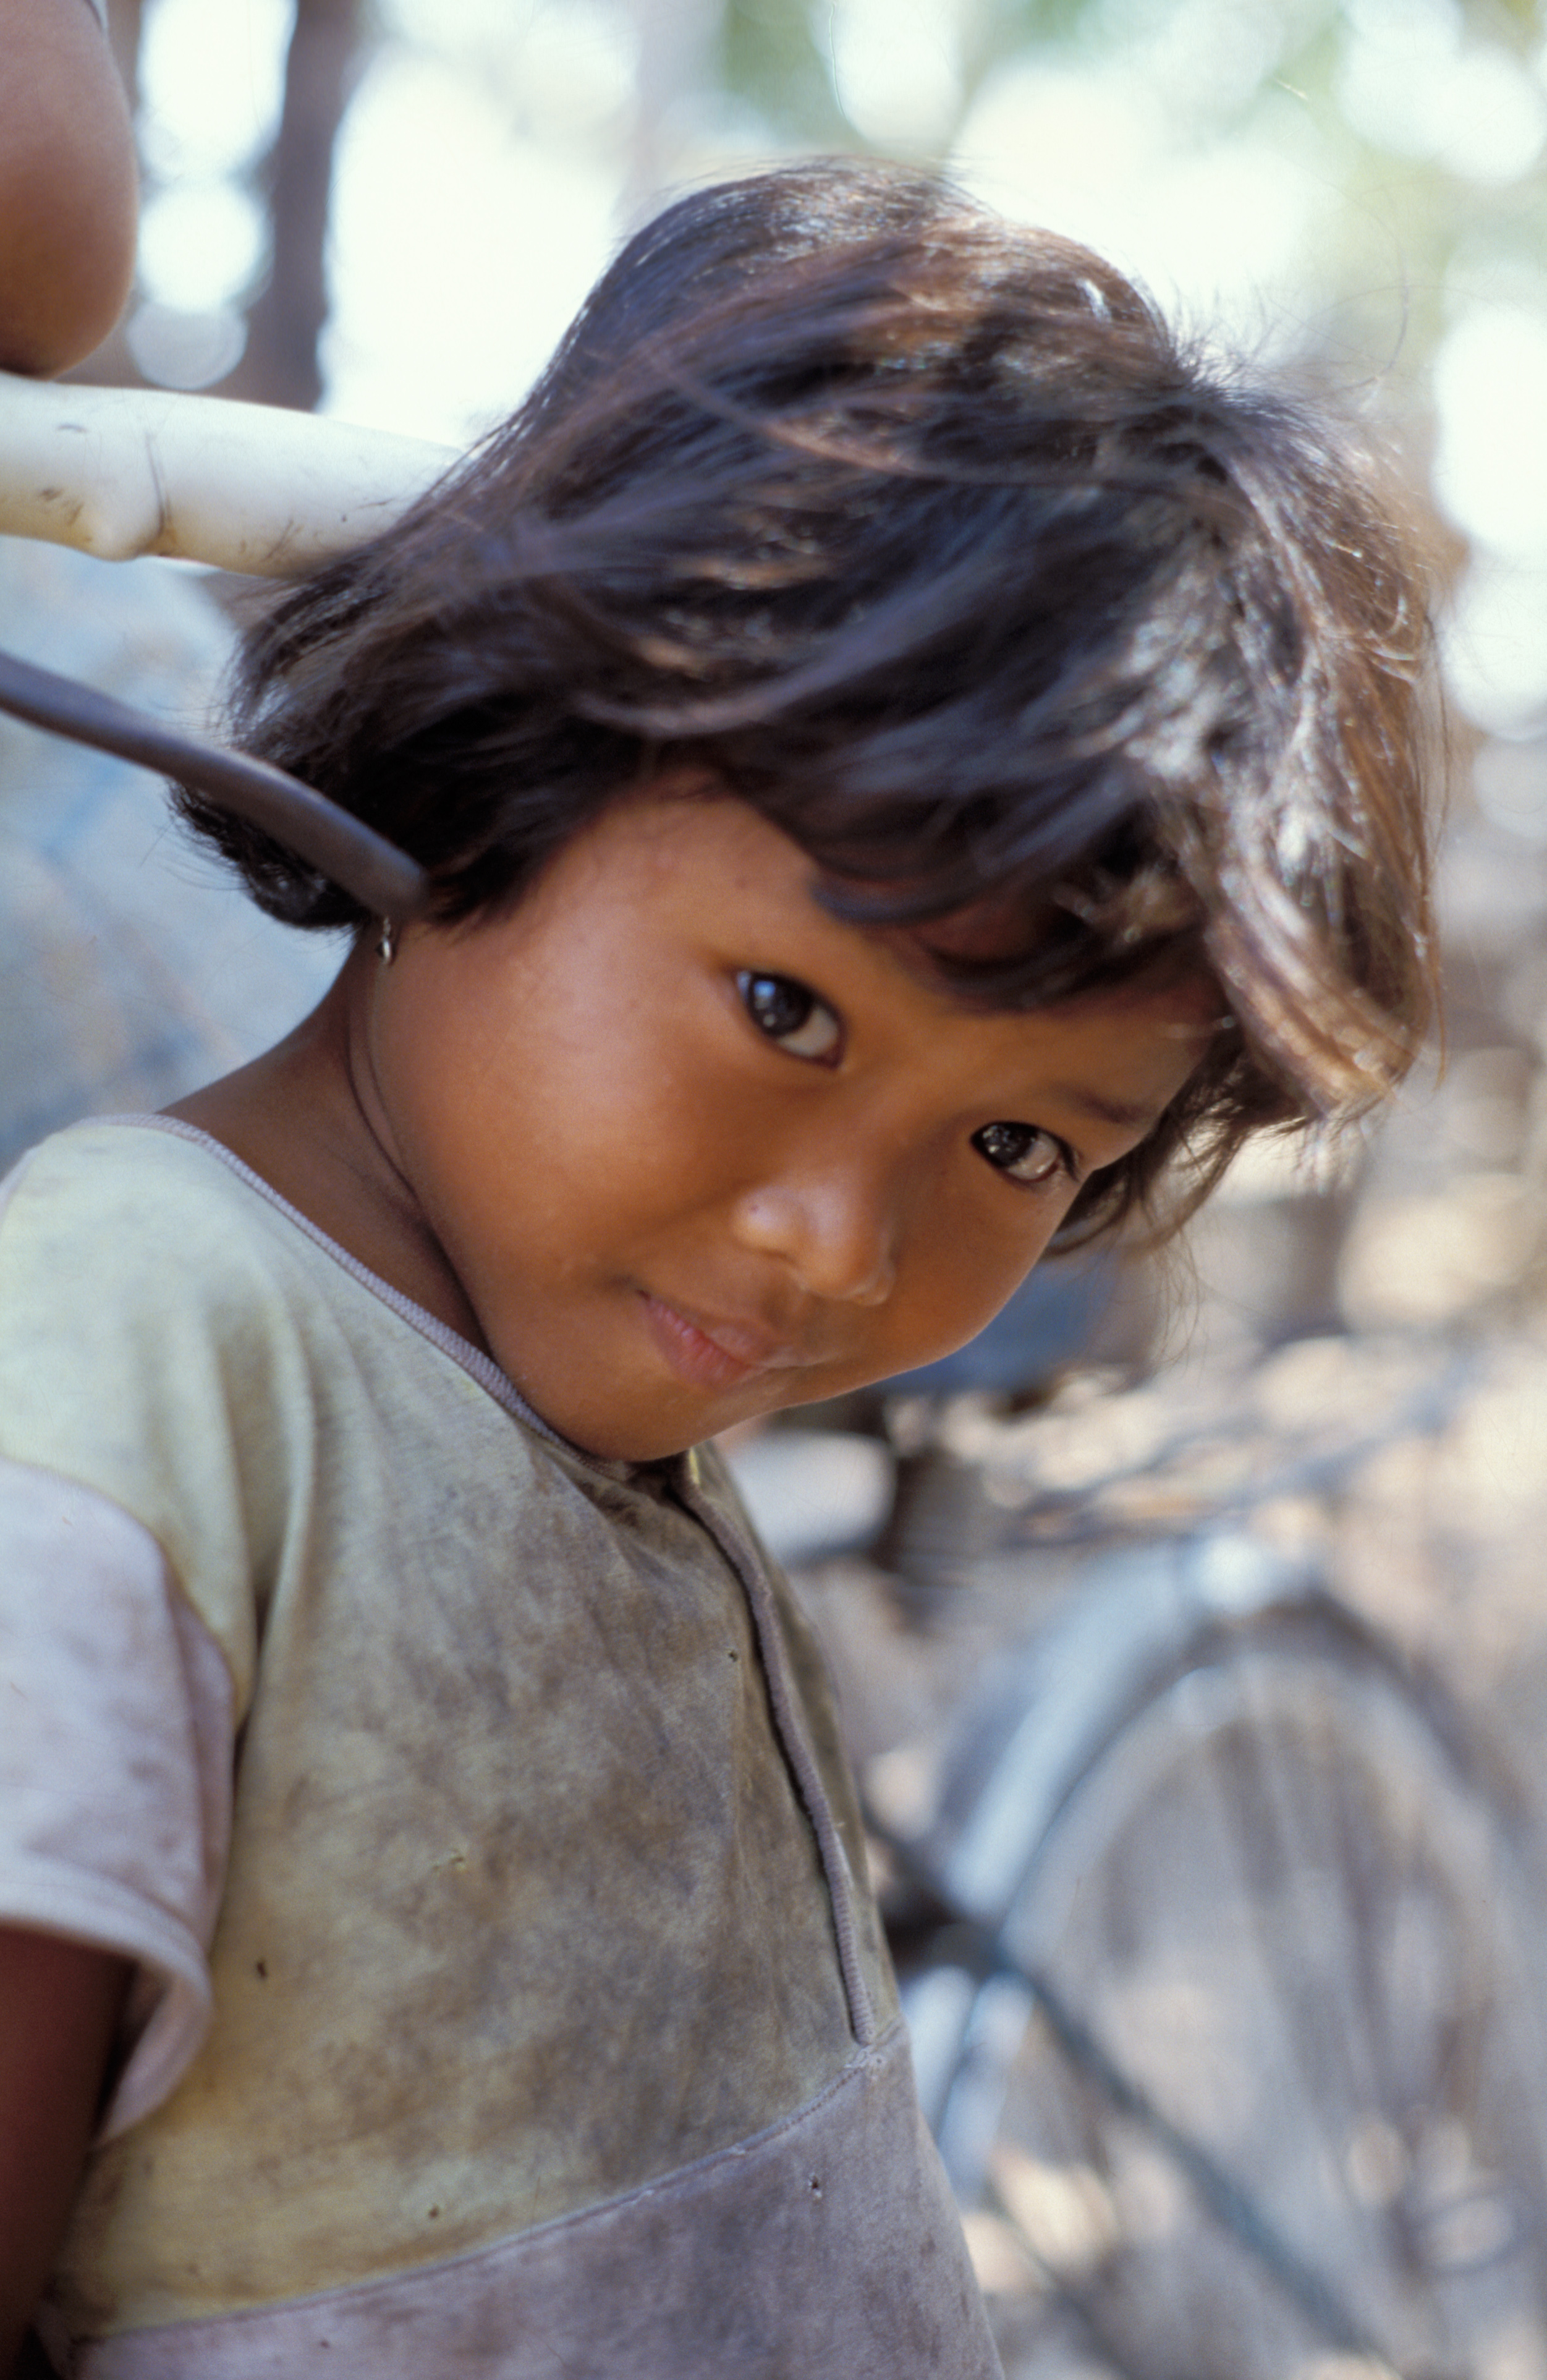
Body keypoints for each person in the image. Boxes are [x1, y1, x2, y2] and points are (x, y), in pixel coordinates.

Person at [0, 158, 1436, 2377]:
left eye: (1020, 1143)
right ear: (495, 758)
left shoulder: (543, 1381)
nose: (833, 1242)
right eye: (787, 1009)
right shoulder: (140, 1382)